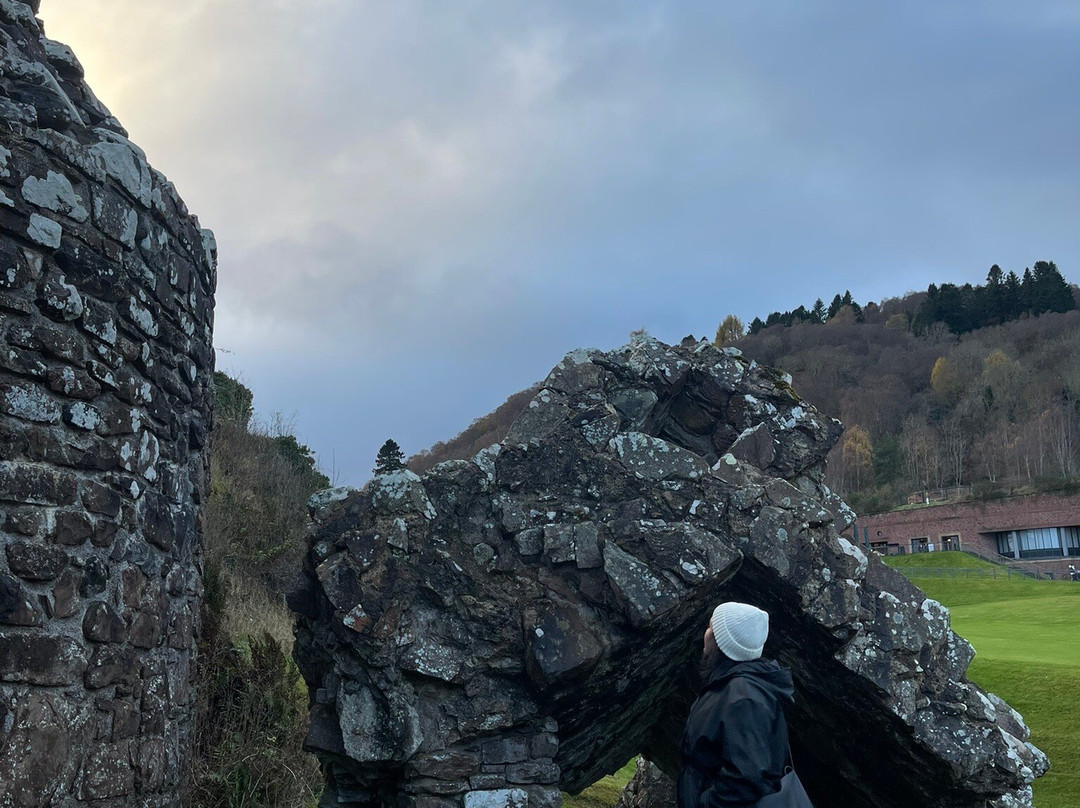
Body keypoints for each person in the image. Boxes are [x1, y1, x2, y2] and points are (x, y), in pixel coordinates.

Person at [677, 602, 809, 808]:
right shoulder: (733, 686)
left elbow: (745, 780)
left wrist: (704, 803)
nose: (706, 632)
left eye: (711, 627)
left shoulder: (744, 697)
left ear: (720, 642)